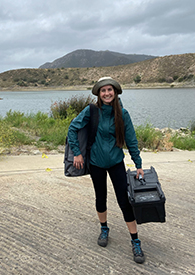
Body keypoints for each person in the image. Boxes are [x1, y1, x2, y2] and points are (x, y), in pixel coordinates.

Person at [67, 77, 145, 264]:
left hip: (116, 162)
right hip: (96, 163)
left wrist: (138, 164)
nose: (107, 93)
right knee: (100, 197)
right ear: (99, 94)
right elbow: (72, 128)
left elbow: (131, 140)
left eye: (109, 90)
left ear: (115, 92)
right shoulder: (91, 111)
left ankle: (135, 241)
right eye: (103, 91)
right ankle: (104, 228)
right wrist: (77, 153)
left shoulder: (123, 114)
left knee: (124, 202)